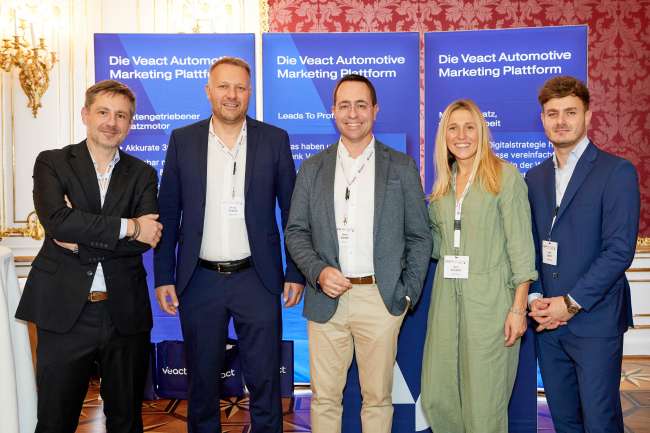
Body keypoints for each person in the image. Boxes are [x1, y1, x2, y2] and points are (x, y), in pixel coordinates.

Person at [154, 57, 304, 433]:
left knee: (265, 381)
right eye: (223, 86)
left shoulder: (274, 139)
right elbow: (167, 212)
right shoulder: (183, 140)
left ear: (250, 92)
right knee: (202, 383)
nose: (232, 95)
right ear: (208, 91)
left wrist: (295, 270)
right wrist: (163, 276)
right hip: (199, 280)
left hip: (257, 278)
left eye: (239, 87)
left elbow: (293, 212)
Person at [285, 74, 432, 433]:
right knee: (324, 399)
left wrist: (407, 295)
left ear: (375, 110)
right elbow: (296, 231)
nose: (353, 114)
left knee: (378, 399)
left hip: (380, 300)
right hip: (325, 300)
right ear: (333, 111)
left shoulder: (401, 166)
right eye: (345, 105)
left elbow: (419, 236)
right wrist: (318, 272)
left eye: (361, 105)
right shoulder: (312, 168)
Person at [15, 80, 162, 433]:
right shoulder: (52, 162)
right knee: (55, 420)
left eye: (121, 115)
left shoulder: (143, 173)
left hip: (123, 313)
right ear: (85, 114)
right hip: (64, 311)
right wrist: (129, 226)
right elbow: (58, 222)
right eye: (103, 112)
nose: (112, 122)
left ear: (130, 123)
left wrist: (79, 239)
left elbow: (146, 240)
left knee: (126, 421)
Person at [526, 76, 639, 433]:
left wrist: (570, 303)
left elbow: (619, 251)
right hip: (547, 323)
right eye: (553, 113)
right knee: (565, 421)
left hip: (595, 321)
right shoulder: (534, 177)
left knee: (600, 420)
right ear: (542, 119)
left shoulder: (616, 171)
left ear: (588, 116)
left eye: (570, 112)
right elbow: (530, 244)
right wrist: (536, 298)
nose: (561, 121)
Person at [420, 99, 537, 432]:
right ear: (444, 136)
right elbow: (437, 245)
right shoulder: (443, 184)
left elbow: (521, 248)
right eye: (453, 128)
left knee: (484, 402)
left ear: (482, 132)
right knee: (439, 393)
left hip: (491, 303)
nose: (461, 136)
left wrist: (518, 309)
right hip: (446, 300)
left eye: (469, 127)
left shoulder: (505, 177)